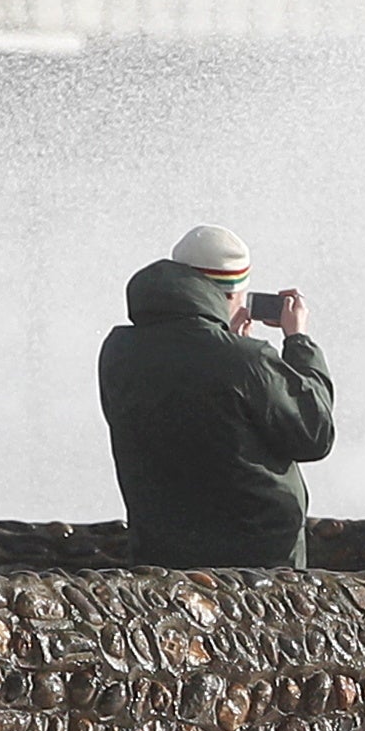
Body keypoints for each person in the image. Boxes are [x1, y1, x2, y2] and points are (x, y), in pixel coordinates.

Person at [98, 223, 336, 567]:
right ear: (228, 294)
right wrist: (298, 341)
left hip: (160, 553)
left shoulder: (118, 351)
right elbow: (315, 433)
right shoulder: (247, 361)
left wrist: (232, 343)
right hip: (256, 561)